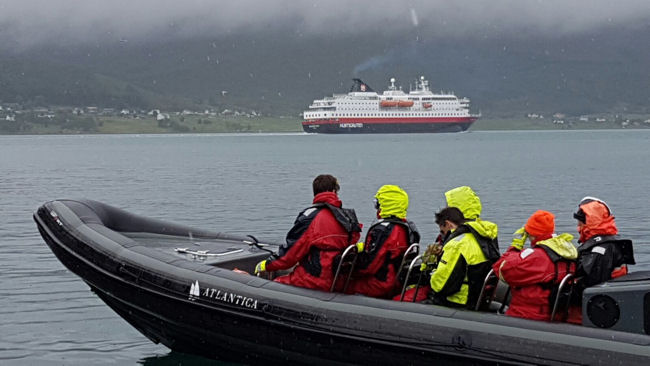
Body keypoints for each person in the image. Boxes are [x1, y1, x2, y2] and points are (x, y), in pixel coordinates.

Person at [254, 174, 362, 292]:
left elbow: (290, 254)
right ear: (334, 191)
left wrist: (267, 264)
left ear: (315, 192)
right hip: (340, 281)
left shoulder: (310, 217)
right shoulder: (347, 217)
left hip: (314, 280)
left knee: (272, 287)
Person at [493, 210, 577, 321]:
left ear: (532, 234)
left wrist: (514, 248)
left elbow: (503, 269)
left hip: (528, 314)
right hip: (555, 313)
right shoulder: (566, 251)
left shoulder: (537, 257)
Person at [428, 186, 500, 309]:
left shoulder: (458, 243)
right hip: (478, 299)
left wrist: (430, 272)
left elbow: (440, 285)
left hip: (458, 302)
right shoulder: (485, 234)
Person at [567, 197, 636, 323]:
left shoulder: (600, 251)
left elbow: (591, 282)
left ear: (590, 222)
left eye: (580, 223)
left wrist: (562, 295)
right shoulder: (609, 244)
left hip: (589, 313)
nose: (578, 227)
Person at [346, 185, 420, 298]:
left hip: (380, 283)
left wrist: (347, 266)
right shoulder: (407, 227)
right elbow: (387, 250)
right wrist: (360, 247)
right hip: (397, 280)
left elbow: (369, 265)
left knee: (343, 283)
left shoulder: (383, 230)